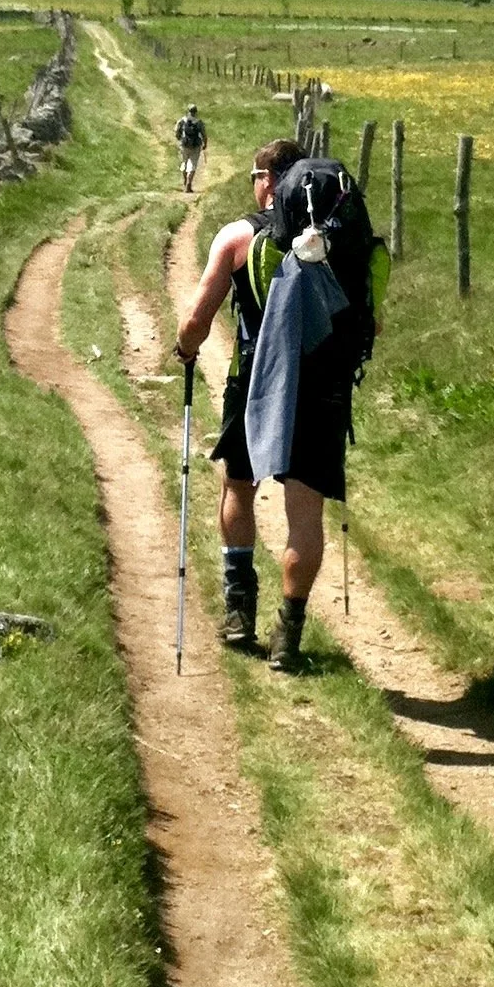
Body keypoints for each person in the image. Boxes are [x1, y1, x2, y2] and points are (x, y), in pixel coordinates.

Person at [174, 136, 375, 671]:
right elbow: (370, 320)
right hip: (322, 390)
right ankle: (289, 637)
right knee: (304, 513)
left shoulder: (240, 237)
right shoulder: (343, 241)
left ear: (267, 181)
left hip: (255, 386)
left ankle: (239, 612)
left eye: (254, 178)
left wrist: (186, 348)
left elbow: (195, 322)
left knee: (239, 485)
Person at [173, 103, 207, 194]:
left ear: (188, 111)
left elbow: (176, 131)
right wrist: (205, 144)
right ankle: (189, 183)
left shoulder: (182, 120)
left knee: (184, 163)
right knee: (192, 165)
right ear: (196, 112)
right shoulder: (199, 122)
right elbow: (204, 134)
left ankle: (185, 182)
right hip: (195, 146)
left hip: (184, 145)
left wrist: (179, 139)